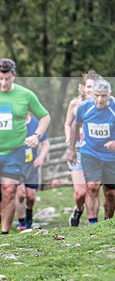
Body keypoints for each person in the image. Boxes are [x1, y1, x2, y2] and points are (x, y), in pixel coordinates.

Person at [0, 58, 50, 236]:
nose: (3, 83)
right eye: (0, 78)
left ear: (14, 76)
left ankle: (4, 233)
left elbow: (45, 116)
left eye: (8, 79)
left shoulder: (26, 95)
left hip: (15, 151)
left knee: (9, 191)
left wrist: (37, 136)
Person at [67, 79, 115, 225]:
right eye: (97, 95)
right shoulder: (84, 107)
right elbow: (75, 125)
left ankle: (107, 223)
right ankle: (93, 224)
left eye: (104, 96)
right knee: (92, 187)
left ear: (110, 95)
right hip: (90, 152)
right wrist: (71, 149)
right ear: (92, 94)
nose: (100, 100)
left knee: (110, 193)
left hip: (110, 156)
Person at [63, 71, 99, 226]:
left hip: (95, 151)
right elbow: (68, 124)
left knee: (92, 188)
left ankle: (94, 224)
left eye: (95, 87)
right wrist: (69, 140)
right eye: (89, 86)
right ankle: (78, 210)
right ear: (83, 88)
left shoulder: (103, 105)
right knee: (80, 193)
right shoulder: (75, 104)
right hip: (77, 149)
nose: (91, 90)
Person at [16, 113, 49, 230]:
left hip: (31, 165)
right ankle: (21, 222)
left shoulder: (36, 124)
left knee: (30, 196)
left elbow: (45, 143)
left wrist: (40, 157)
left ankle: (29, 217)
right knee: (21, 194)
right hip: (16, 165)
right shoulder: (13, 122)